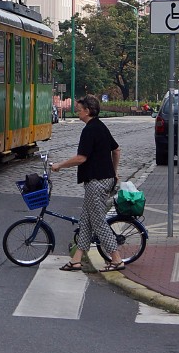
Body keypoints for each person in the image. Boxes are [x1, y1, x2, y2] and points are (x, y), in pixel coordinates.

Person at [51, 95, 125, 272]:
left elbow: (81, 158)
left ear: (88, 110)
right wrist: (114, 173)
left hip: (96, 182)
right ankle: (76, 260)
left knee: (98, 222)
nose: (77, 111)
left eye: (79, 109)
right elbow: (116, 150)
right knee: (86, 221)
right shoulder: (100, 126)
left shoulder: (90, 130)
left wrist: (60, 165)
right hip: (104, 180)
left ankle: (116, 259)